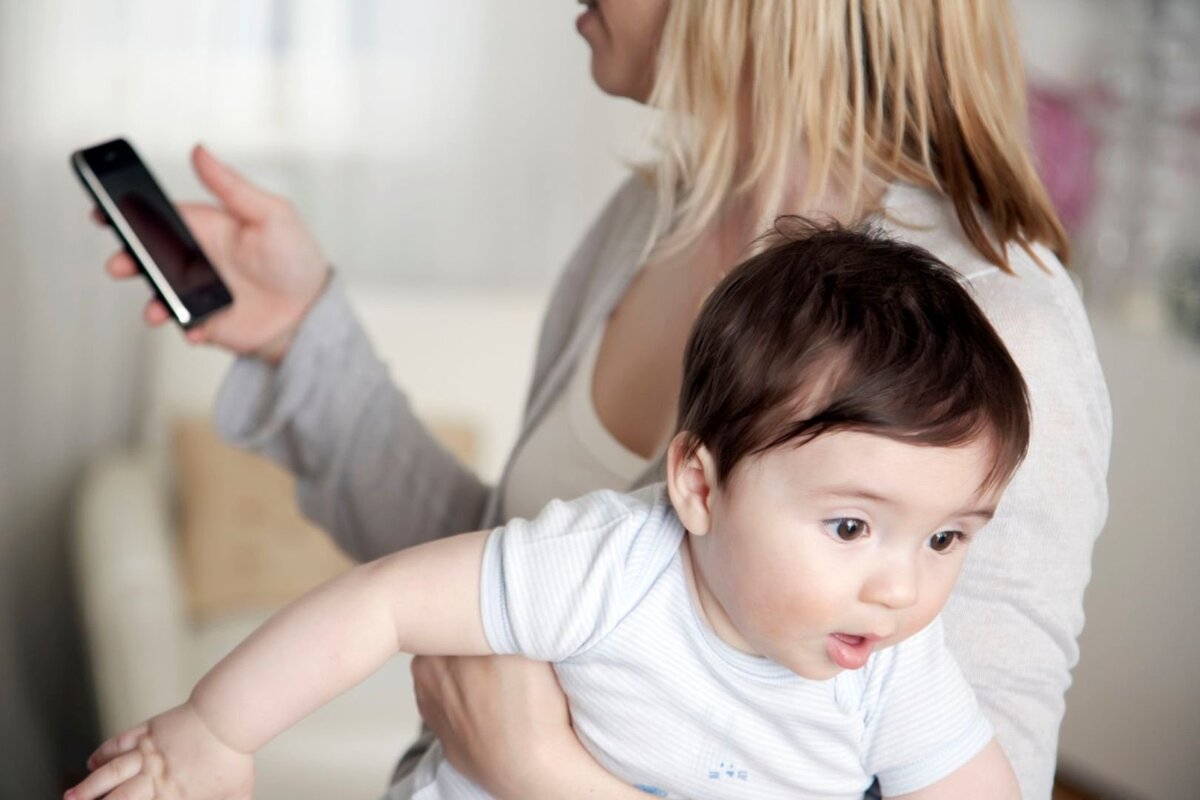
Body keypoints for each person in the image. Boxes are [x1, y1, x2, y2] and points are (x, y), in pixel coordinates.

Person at [94, 2, 1111, 797]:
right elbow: (518, 568)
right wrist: (301, 334)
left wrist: (545, 777)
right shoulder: (657, 218)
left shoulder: (986, 326)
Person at [70, 224, 1031, 800]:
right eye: (851, 527)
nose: (902, 586)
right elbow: (387, 602)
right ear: (698, 487)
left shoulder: (894, 663)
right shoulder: (608, 565)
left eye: (948, 538)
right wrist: (217, 729)